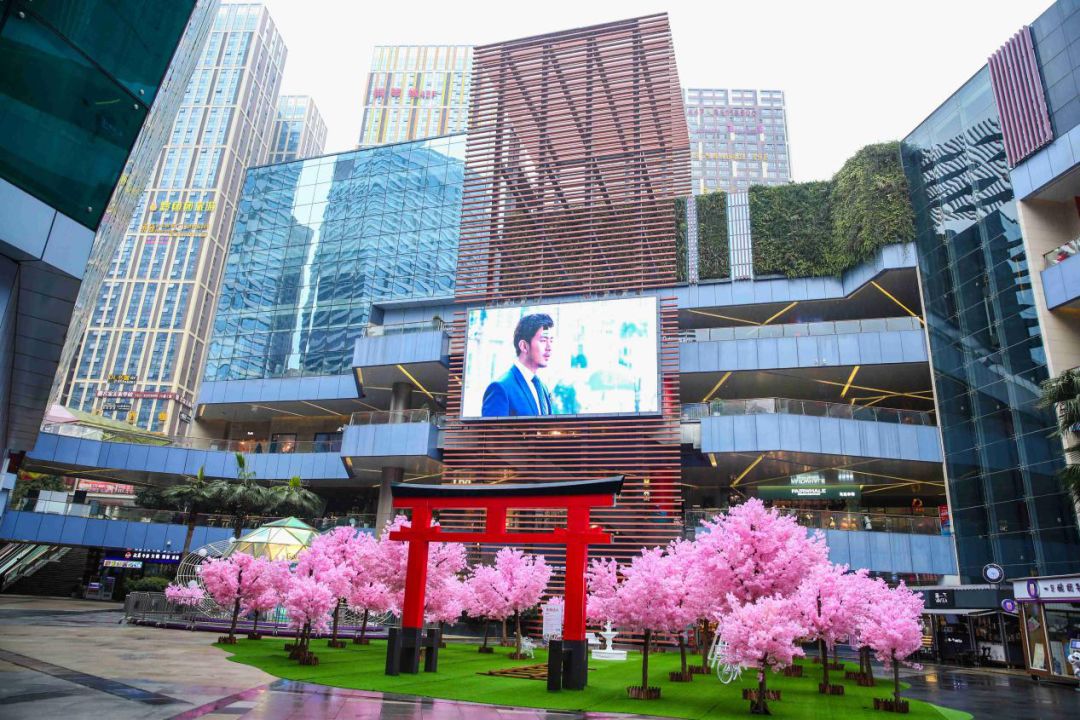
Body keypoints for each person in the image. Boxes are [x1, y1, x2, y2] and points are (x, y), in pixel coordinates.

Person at [482, 313, 555, 417]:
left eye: (551, 341)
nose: (549, 347)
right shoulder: (501, 388)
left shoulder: (542, 387)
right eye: (543, 340)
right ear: (524, 346)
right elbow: (492, 433)